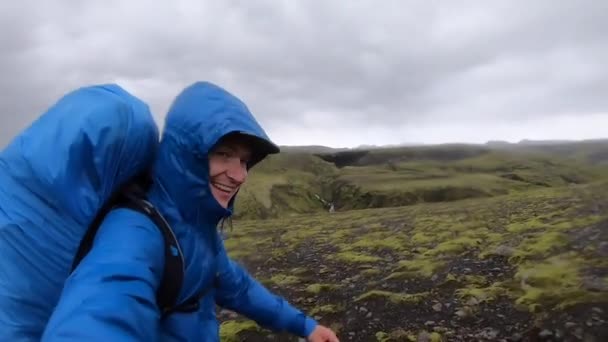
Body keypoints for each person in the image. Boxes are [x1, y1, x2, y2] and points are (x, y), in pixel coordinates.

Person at [40, 81, 340, 341]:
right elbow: (98, 315)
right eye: (223, 155)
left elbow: (237, 287)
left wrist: (305, 326)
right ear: (186, 155)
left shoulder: (197, 226)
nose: (239, 175)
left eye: (244, 162)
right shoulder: (134, 230)